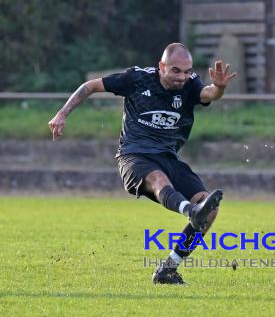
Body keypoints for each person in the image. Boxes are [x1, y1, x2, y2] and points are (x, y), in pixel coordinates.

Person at [48, 43, 237, 284]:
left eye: (187, 71)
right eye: (176, 71)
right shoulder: (137, 79)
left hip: (168, 156)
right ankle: (191, 212)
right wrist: (62, 114)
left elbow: (208, 94)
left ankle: (168, 270)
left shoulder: (190, 85)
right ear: (161, 66)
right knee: (159, 180)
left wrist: (219, 88)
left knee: (210, 209)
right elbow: (90, 86)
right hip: (134, 156)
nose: (182, 77)